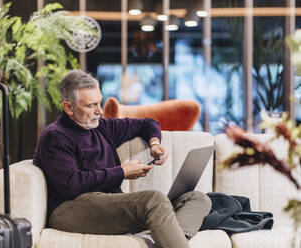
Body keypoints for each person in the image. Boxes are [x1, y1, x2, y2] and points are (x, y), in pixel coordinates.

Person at [33, 70, 211, 248]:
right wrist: (121, 172)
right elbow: (71, 183)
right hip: (69, 209)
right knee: (153, 201)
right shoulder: (55, 136)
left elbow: (147, 123)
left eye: (99, 102)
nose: (99, 111)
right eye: (91, 106)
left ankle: (169, 240)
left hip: (108, 204)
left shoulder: (101, 127)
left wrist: (155, 144)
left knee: (198, 198)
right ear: (69, 107)